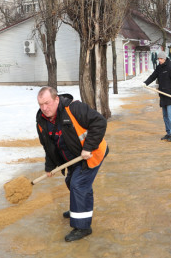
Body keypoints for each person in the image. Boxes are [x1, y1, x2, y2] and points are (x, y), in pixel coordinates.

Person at [36, 86, 109, 242]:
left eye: (47, 103)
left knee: (79, 185)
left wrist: (88, 147)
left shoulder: (74, 108)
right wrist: (50, 167)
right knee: (71, 181)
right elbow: (48, 146)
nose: (44, 108)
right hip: (73, 158)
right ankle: (79, 207)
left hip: (92, 153)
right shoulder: (42, 120)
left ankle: (83, 227)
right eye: (41, 104)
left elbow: (99, 122)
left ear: (56, 99)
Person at [143, 50, 171, 142]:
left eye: (161, 59)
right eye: (158, 59)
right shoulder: (159, 68)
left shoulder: (170, 68)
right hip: (162, 95)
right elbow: (152, 76)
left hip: (170, 95)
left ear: (164, 58)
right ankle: (168, 133)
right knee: (165, 116)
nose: (159, 60)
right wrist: (145, 83)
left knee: (170, 115)